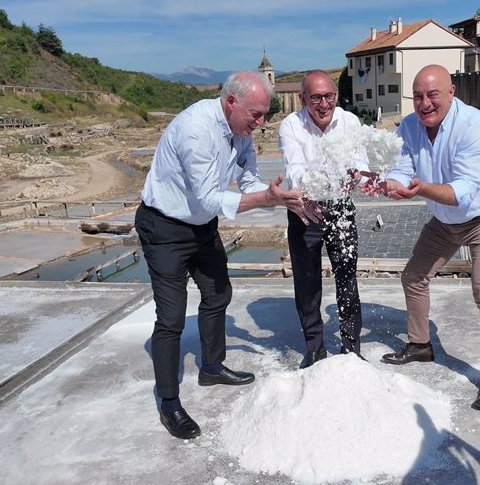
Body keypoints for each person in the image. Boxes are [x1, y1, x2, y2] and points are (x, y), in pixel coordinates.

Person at [135, 71, 305, 439]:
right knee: (171, 317)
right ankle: (169, 402)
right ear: (231, 102)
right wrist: (267, 200)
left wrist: (276, 192)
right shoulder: (196, 130)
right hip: (164, 227)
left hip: (201, 226)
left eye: (264, 115)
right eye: (256, 114)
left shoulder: (241, 131)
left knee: (217, 294)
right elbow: (209, 197)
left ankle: (212, 367)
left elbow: (248, 179)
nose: (260, 124)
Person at [362, 64, 480, 411]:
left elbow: (463, 191)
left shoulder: (474, 126)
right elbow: (403, 168)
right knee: (414, 276)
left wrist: (421, 189)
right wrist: (391, 185)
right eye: (418, 96)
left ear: (451, 92)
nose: (425, 103)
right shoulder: (411, 126)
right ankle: (420, 345)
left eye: (432, 95)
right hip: (445, 219)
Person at [278, 69, 368, 368]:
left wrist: (358, 175)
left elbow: (360, 162)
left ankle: (351, 347)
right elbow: (295, 168)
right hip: (306, 210)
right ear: (303, 99)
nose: (324, 104)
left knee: (347, 277)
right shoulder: (291, 125)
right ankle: (315, 348)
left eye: (329, 96)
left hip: (340, 207)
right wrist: (318, 183)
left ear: (337, 96)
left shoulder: (350, 121)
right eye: (315, 98)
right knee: (307, 282)